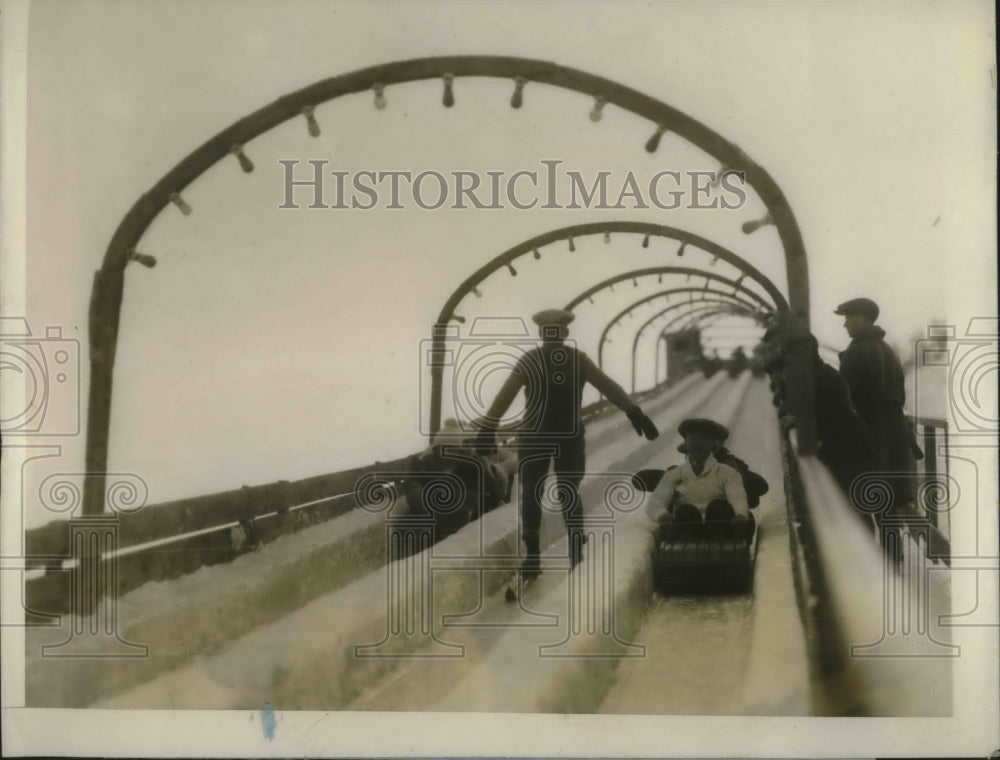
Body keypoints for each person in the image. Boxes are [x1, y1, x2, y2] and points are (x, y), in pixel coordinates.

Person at [476, 309, 660, 578]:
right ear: (563, 333)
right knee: (567, 491)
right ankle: (573, 547)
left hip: (536, 436)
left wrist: (488, 427)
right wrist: (633, 411)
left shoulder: (531, 360)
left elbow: (505, 396)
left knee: (533, 495)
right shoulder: (577, 360)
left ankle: (534, 556)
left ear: (549, 333)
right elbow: (608, 386)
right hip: (566, 436)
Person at [835, 298, 920, 521]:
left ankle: (869, 555)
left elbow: (843, 398)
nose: (845, 325)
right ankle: (893, 555)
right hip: (891, 435)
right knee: (887, 506)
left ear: (862, 320)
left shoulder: (857, 352)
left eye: (848, 319)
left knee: (858, 502)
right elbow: (899, 396)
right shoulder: (887, 349)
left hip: (867, 437)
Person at [644, 418, 754, 542]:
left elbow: (737, 497)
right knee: (686, 511)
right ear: (686, 443)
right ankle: (686, 545)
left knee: (719, 506)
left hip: (720, 531)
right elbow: (657, 500)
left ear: (713, 443)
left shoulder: (727, 473)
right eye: (693, 438)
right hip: (687, 532)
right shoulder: (673, 475)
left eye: (703, 438)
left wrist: (740, 515)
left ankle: (718, 544)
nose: (697, 443)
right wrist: (662, 515)